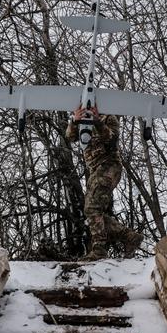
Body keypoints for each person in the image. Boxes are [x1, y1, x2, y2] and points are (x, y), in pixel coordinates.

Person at [66, 106, 144, 261]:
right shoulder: (82, 119)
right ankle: (130, 236)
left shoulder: (108, 117)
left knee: (92, 208)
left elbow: (111, 138)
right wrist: (74, 121)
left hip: (109, 166)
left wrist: (97, 122)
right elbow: (70, 137)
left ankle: (99, 251)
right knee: (93, 213)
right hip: (95, 170)